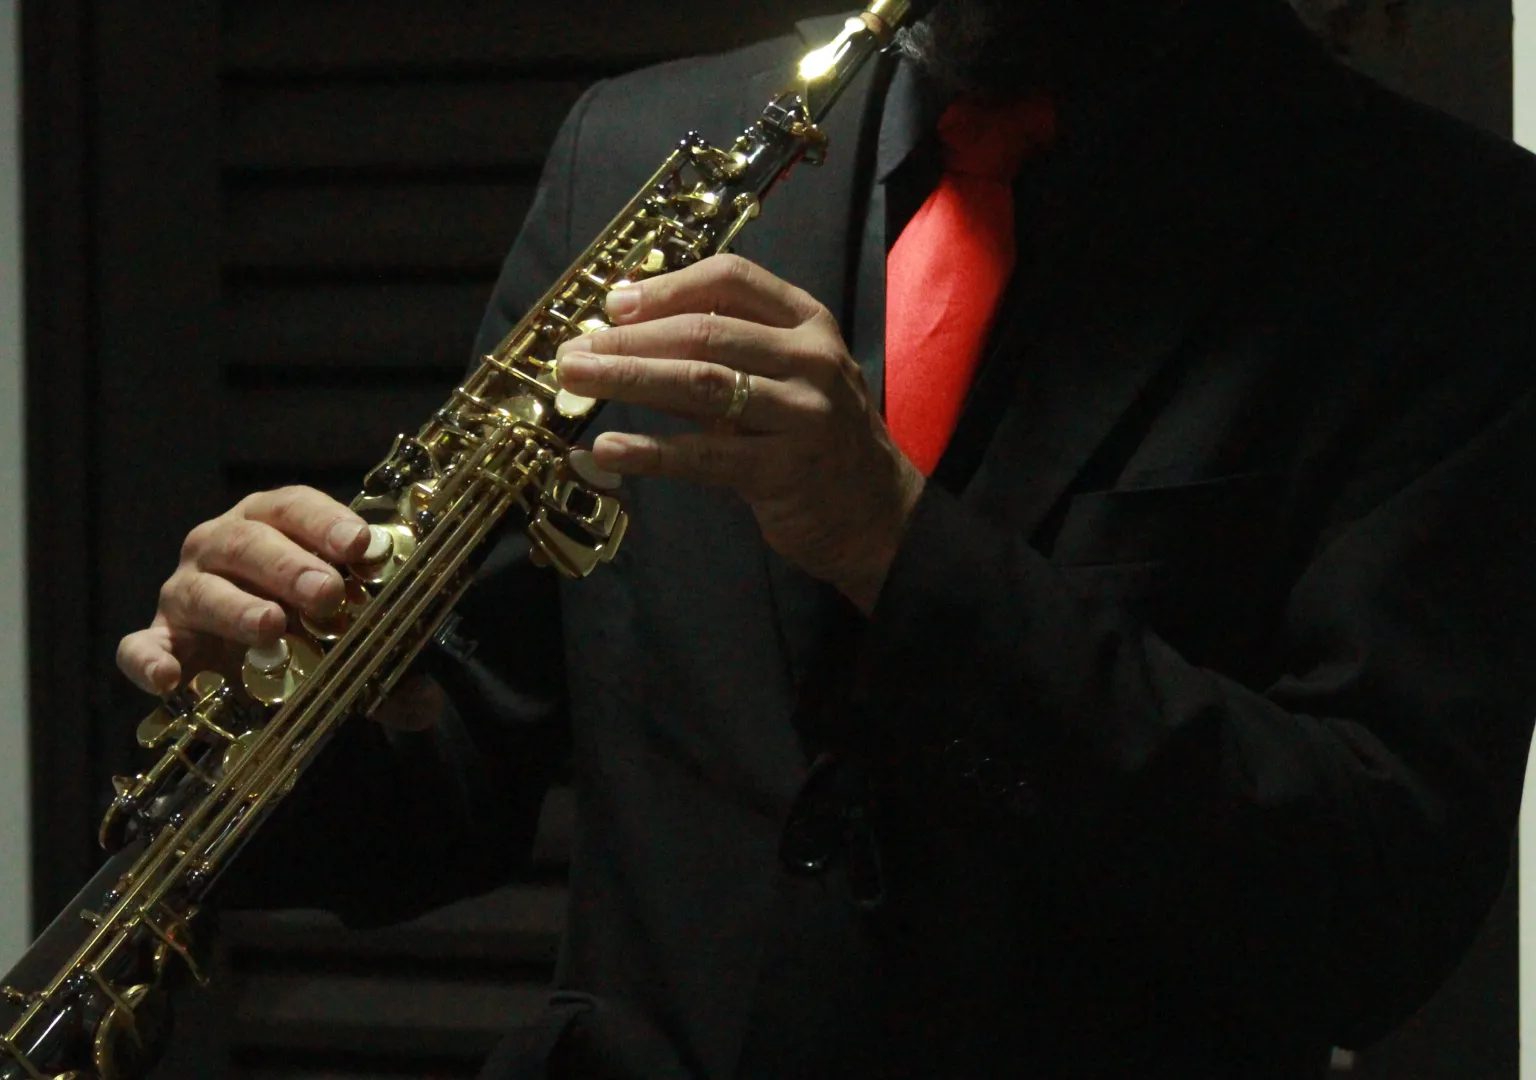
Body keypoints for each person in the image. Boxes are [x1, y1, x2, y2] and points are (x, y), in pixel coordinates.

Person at [115, 0, 1536, 1075]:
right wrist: (287, 696)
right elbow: (468, 755)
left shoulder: (1448, 239)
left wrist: (898, 548)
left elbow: (1372, 905)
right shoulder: (636, 147)